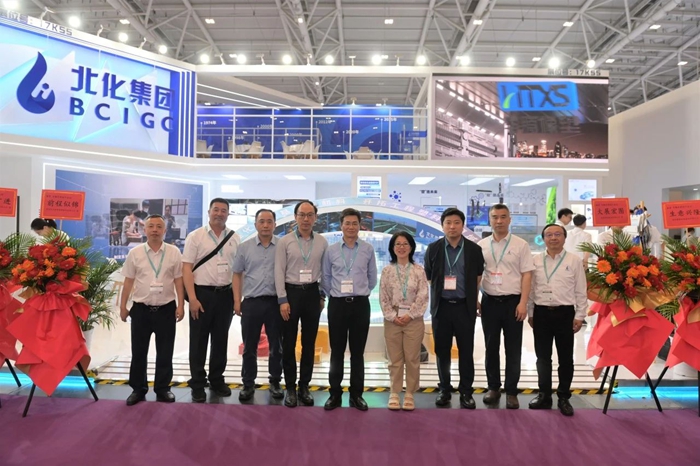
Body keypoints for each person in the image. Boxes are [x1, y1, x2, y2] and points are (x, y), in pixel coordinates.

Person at [119, 214, 185, 406]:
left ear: (165, 230)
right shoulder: (135, 253)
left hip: (166, 309)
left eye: (159, 226)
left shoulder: (173, 252)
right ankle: (138, 389)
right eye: (151, 226)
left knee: (165, 351)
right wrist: (123, 306)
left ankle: (163, 388)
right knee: (139, 352)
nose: (155, 230)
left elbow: (178, 280)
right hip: (141, 310)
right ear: (144, 229)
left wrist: (181, 305)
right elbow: (128, 281)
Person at [424, 207, 484, 409]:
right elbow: (430, 276)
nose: (452, 226)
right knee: (442, 351)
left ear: (462, 225)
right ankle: (444, 389)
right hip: (441, 307)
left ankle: (466, 391)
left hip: (464, 307)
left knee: (466, 351)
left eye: (456, 222)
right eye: (448, 223)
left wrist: (474, 298)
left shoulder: (474, 250)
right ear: (442, 226)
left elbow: (478, 277)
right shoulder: (433, 248)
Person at [182, 198, 241, 403]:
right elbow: (186, 268)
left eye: (223, 210)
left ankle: (217, 380)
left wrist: (237, 299)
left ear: (228, 214)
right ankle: (198, 383)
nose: (219, 213)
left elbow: (237, 272)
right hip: (202, 294)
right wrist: (192, 298)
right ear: (209, 212)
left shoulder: (235, 238)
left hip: (225, 295)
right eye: (216, 209)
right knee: (198, 341)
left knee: (220, 340)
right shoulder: (195, 236)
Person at [477, 204, 534, 409]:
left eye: (503, 217)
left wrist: (523, 303)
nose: (499, 221)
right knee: (491, 347)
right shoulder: (481, 245)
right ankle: (493, 387)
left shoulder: (521, 245)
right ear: (489, 220)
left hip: (513, 303)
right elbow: (477, 274)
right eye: (495, 217)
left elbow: (527, 274)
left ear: (510, 220)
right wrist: (475, 298)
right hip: (490, 302)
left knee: (513, 348)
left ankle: (511, 391)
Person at [527, 224, 588, 416]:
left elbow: (581, 289)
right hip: (541, 313)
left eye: (557, 234)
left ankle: (563, 397)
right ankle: (544, 395)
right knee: (542, 358)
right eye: (549, 235)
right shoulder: (535, 260)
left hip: (565, 314)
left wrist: (580, 315)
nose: (553, 238)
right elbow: (531, 289)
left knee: (566, 358)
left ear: (564, 237)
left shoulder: (574, 260)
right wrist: (530, 312)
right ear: (543, 238)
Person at [322, 208, 378, 411]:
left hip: (360, 305)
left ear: (360, 226)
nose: (351, 227)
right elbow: (326, 278)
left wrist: (359, 292)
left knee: (357, 352)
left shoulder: (368, 249)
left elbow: (372, 278)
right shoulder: (331, 250)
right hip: (337, 304)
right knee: (336, 352)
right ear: (341, 225)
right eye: (347, 223)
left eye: (355, 223)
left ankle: (356, 395)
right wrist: (335, 294)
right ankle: (334, 394)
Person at [274, 200, 328, 408]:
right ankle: (290, 387)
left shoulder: (322, 242)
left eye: (310, 215)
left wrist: (322, 296)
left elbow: (325, 271)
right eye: (302, 215)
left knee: (309, 343)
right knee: (288, 343)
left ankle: (304, 386)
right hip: (291, 294)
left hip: (312, 294)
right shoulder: (285, 241)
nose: (306, 219)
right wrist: (282, 299)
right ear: (295, 217)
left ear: (315, 218)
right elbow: (279, 271)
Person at [232, 209, 284, 402]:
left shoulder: (282, 246)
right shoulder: (244, 247)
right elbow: (236, 274)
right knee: (249, 346)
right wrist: (237, 300)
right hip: (251, 303)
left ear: (275, 224)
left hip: (275, 303)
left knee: (276, 346)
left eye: (269, 221)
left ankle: (275, 381)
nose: (265, 225)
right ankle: (248, 383)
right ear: (255, 224)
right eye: (262, 221)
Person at [379, 232, 429, 411]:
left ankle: (409, 393)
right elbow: (383, 297)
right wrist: (393, 316)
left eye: (405, 244)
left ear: (411, 247)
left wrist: (410, 315)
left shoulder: (418, 270)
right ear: (392, 248)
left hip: (413, 320)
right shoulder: (387, 271)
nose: (401, 247)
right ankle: (394, 391)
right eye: (398, 244)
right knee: (394, 359)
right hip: (392, 321)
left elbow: (423, 295)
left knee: (412, 358)